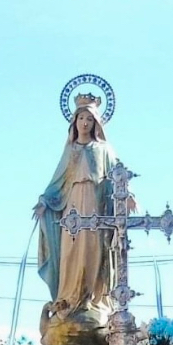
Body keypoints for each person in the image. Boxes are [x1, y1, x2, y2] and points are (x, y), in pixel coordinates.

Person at [34, 95, 119, 318]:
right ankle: (68, 299)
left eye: (89, 119)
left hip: (95, 205)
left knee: (92, 251)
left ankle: (92, 300)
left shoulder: (103, 149)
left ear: (95, 123)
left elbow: (118, 177)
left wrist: (127, 197)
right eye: (81, 118)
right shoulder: (70, 150)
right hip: (71, 208)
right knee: (70, 253)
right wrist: (44, 202)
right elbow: (57, 182)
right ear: (74, 121)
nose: (84, 123)